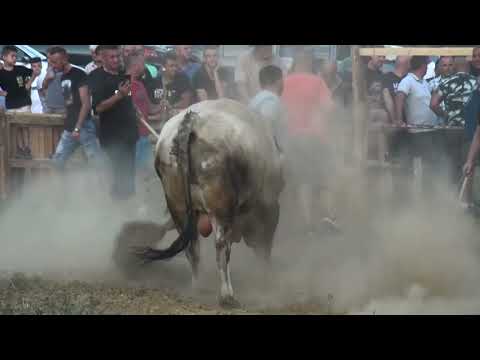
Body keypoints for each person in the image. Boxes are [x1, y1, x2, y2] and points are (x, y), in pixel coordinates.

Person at [281, 50, 338, 235]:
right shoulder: (317, 82)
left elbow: (279, 109)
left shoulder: (284, 82)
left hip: (293, 138)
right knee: (324, 179)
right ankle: (329, 216)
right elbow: (330, 109)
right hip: (316, 137)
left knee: (303, 181)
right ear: (310, 63)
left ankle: (307, 225)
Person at [89, 45, 139, 200]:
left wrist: (134, 108)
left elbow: (128, 97)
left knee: (128, 175)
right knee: (118, 176)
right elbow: (98, 108)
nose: (117, 59)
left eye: (118, 56)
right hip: (112, 136)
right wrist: (119, 95)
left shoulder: (124, 75)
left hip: (130, 134)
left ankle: (127, 207)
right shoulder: (96, 77)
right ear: (102, 58)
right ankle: (116, 210)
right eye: (112, 57)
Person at [393, 56, 441, 206]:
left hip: (430, 131)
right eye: (426, 65)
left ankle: (427, 198)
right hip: (417, 132)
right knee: (419, 168)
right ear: (422, 66)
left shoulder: (424, 83)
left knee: (429, 166)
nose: (427, 67)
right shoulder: (408, 80)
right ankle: (416, 200)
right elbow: (399, 97)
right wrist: (399, 119)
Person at [45, 46, 102, 171]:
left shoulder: (79, 74)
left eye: (55, 62)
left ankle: (102, 188)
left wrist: (78, 127)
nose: (53, 65)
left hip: (83, 125)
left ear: (64, 59)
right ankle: (62, 188)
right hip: (70, 125)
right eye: (50, 62)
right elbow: (68, 102)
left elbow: (86, 104)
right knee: (58, 160)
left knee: (95, 161)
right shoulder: (62, 76)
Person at [125, 55, 164, 175]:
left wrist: (162, 105)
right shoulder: (123, 84)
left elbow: (150, 108)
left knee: (146, 169)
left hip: (144, 134)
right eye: (143, 64)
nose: (144, 67)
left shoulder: (140, 85)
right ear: (136, 66)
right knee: (135, 170)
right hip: (132, 136)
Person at [0, 45, 37, 159]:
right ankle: (19, 149)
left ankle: (28, 148)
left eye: (16, 56)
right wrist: (1, 93)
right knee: (15, 129)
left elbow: (35, 72)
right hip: (11, 104)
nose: (15, 58)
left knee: (26, 127)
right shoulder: (1, 73)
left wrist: (29, 83)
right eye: (12, 56)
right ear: (4, 57)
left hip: (24, 103)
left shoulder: (20, 69)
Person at [249, 65, 287, 155]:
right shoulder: (270, 101)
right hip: (264, 154)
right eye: (283, 80)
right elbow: (267, 130)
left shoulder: (258, 98)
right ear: (279, 81)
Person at [161, 52, 194, 117]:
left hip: (179, 116)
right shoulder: (156, 80)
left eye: (176, 65)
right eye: (171, 66)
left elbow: (186, 102)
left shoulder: (183, 78)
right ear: (164, 67)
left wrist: (171, 106)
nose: (175, 69)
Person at [43, 46, 67, 114]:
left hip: (62, 108)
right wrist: (47, 78)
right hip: (49, 107)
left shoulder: (68, 71)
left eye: (51, 59)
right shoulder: (49, 69)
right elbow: (44, 87)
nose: (49, 61)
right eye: (48, 58)